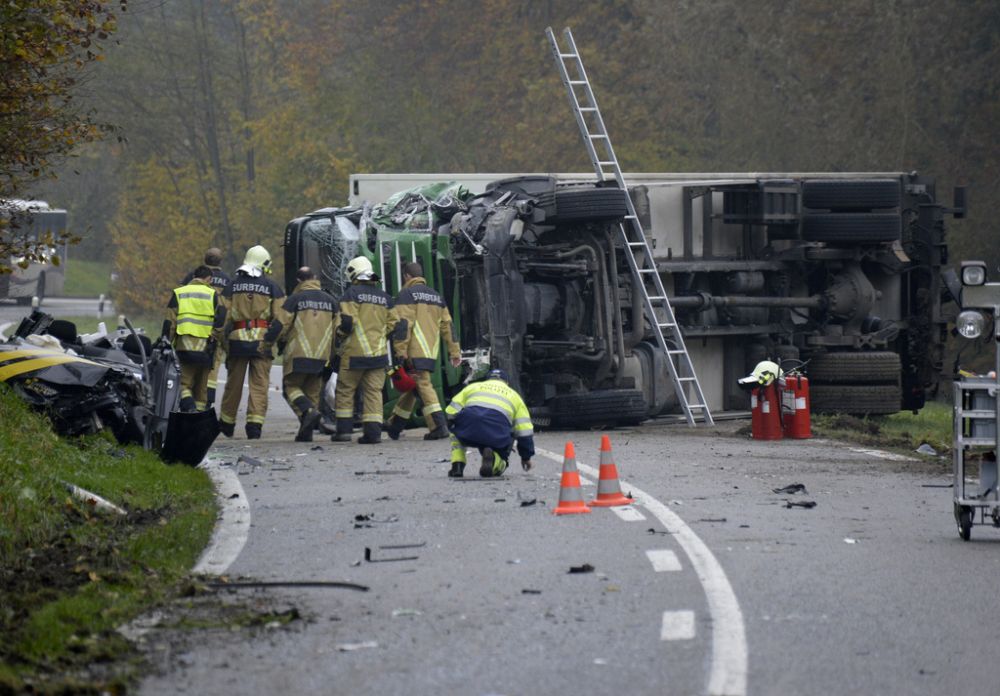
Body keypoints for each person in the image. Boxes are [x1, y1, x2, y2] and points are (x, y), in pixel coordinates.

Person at [385, 262, 461, 440]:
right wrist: (454, 352)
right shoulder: (436, 297)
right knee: (414, 387)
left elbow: (403, 325)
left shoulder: (407, 294)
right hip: (429, 351)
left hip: (413, 350)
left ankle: (439, 426)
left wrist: (400, 350)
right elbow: (448, 327)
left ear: (406, 276)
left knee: (423, 386)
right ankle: (394, 424)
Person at [219, 245, 285, 440]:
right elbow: (281, 319)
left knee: (233, 384)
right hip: (261, 343)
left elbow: (222, 318)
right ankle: (254, 426)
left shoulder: (232, 286)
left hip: (237, 342)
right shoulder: (273, 287)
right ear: (264, 263)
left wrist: (223, 344)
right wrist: (274, 341)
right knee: (259, 385)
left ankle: (227, 424)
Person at [331, 256, 398, 444]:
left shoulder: (350, 295)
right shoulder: (385, 298)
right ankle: (373, 433)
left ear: (353, 273)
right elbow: (395, 324)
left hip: (353, 354)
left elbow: (346, 322)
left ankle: (343, 432)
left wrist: (339, 337)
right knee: (374, 393)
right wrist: (380, 336)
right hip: (378, 355)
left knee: (345, 391)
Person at [273, 267, 336, 442]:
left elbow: (280, 325)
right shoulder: (331, 301)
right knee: (312, 394)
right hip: (322, 357)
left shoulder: (294, 300)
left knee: (290, 387)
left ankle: (309, 413)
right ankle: (306, 433)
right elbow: (340, 328)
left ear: (299, 281)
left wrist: (269, 343)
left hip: (299, 354)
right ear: (314, 278)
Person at [444, 368, 535, 478]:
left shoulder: (473, 387)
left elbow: (451, 412)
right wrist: (526, 457)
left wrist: (453, 426)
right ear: (506, 383)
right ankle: (495, 461)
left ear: (487, 379)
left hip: (469, 429)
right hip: (496, 434)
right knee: (505, 442)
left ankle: (457, 465)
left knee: (455, 431)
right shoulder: (514, 396)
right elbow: (524, 431)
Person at [163, 265, 226, 412]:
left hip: (184, 348)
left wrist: (166, 343)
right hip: (206, 350)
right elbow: (222, 319)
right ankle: (198, 419)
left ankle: (189, 409)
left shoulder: (179, 293)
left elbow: (169, 323)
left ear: (193, 277)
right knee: (201, 390)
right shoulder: (213, 295)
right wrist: (214, 337)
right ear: (209, 279)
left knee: (183, 385)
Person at [181, 247, 231, 408]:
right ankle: (206, 401)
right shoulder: (227, 280)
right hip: (215, 331)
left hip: (191, 331)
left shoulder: (192, 276)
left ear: (205, 258)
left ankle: (190, 403)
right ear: (221, 261)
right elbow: (227, 308)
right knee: (212, 368)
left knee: (189, 370)